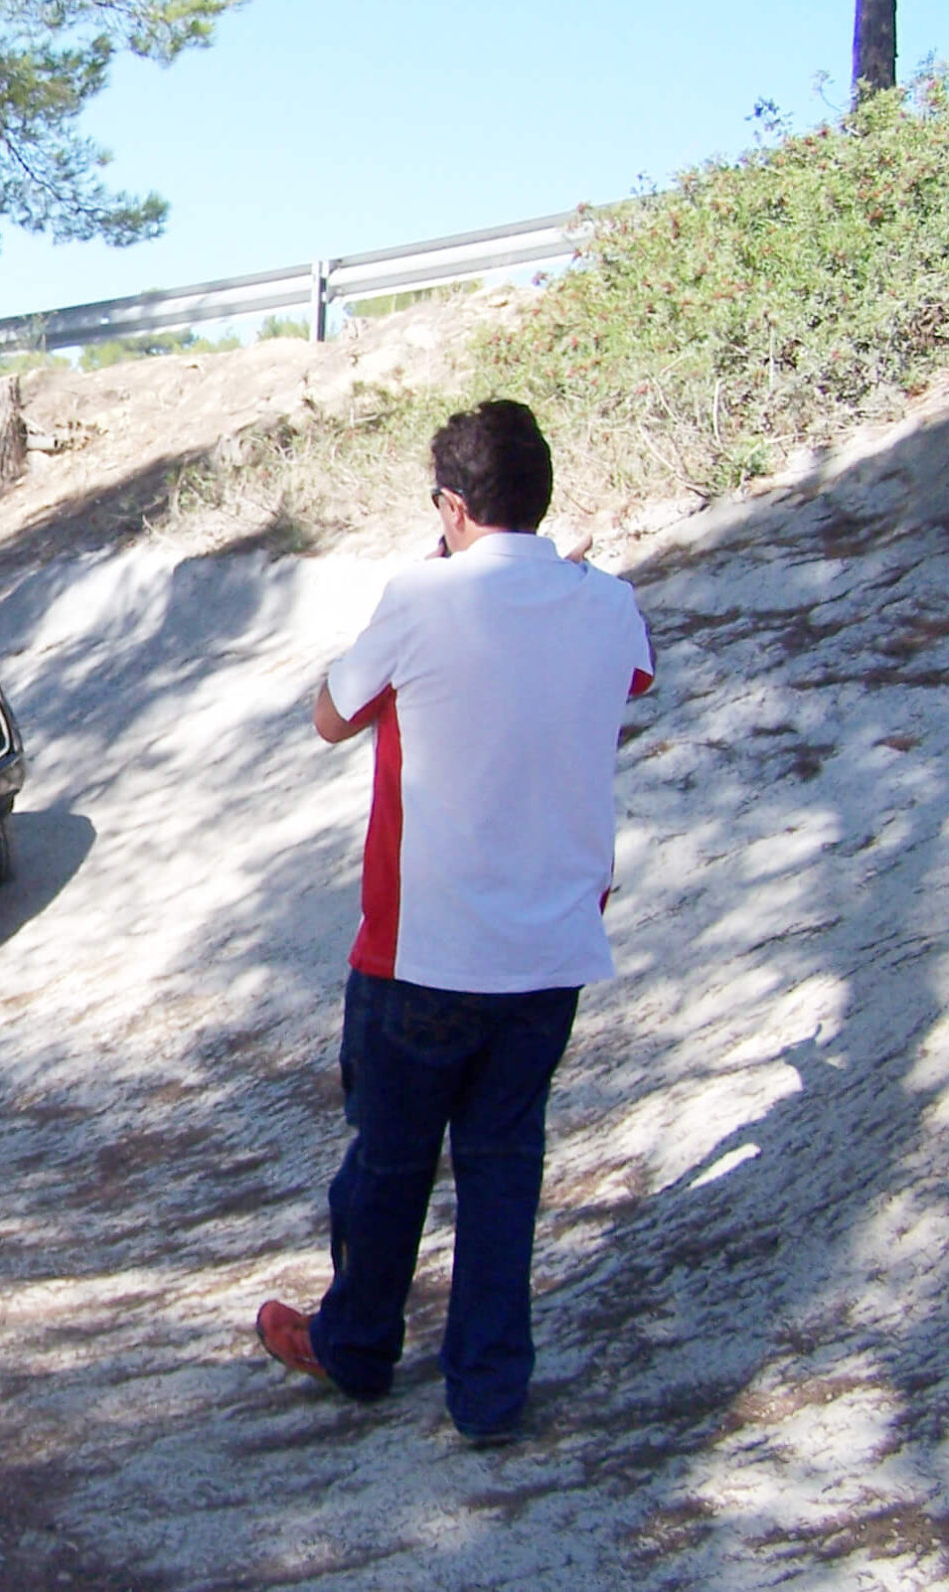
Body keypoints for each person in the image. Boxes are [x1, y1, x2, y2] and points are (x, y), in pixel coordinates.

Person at [254, 398, 654, 1445]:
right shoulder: (609, 604)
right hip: (552, 945)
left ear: (450, 503)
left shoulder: (419, 596)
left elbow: (330, 715)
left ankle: (357, 1348)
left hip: (422, 948)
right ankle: (488, 1389)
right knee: (503, 1165)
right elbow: (627, 674)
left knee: (387, 1165)